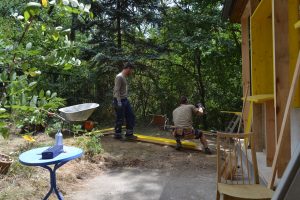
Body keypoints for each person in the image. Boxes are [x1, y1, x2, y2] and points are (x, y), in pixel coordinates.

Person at [113, 62, 137, 140]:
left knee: (131, 115)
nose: (131, 72)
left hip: (125, 100)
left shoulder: (123, 76)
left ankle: (129, 134)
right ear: (128, 68)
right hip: (119, 100)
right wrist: (119, 101)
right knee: (120, 118)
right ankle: (117, 134)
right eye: (131, 70)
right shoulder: (119, 77)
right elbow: (116, 90)